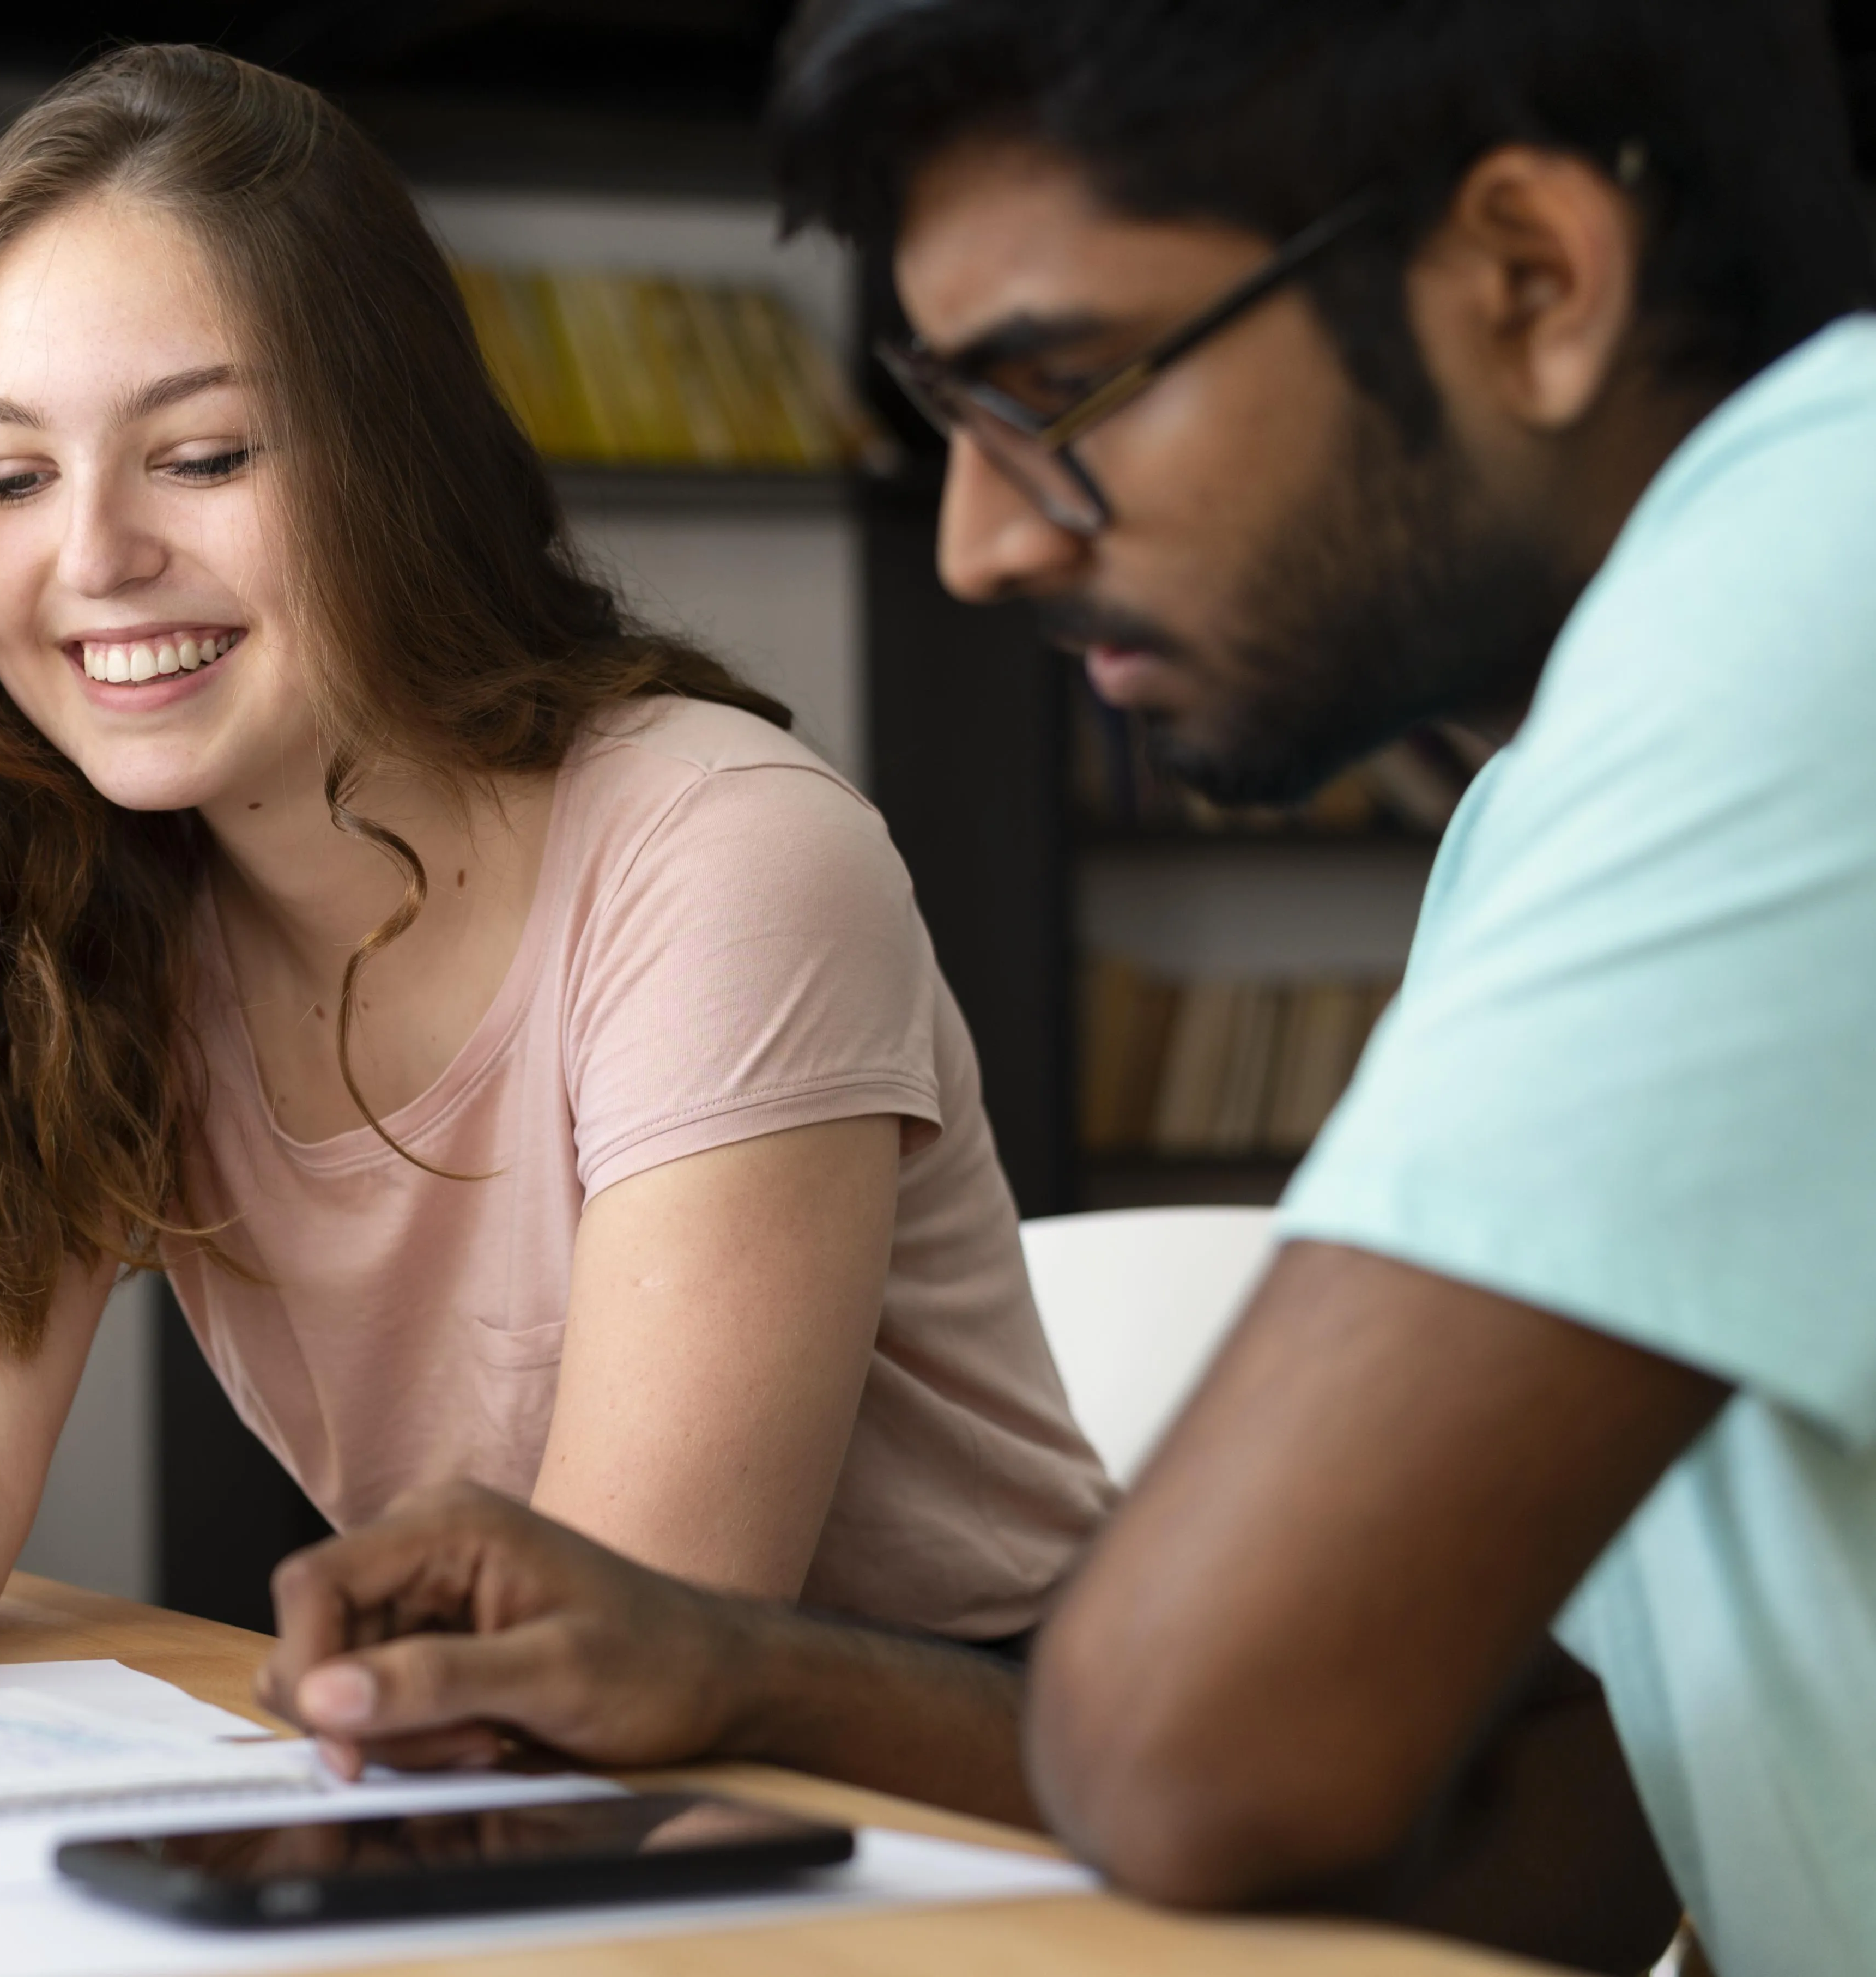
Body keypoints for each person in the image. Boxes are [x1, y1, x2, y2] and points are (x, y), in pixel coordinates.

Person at [252, 3, 1876, 1973]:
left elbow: (1204, 1743)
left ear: (1532, 279)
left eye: (1071, 388)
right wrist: (732, 1676)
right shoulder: (1551, 796)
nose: (981, 540)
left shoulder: (1824, 562)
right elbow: (1564, 1826)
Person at [0, 46, 1109, 1735]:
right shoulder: (56, 880)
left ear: (394, 458)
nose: (94, 556)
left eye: (201, 456)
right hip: (554, 1789)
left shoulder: (721, 855)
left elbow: (632, 1630)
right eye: (7, 477)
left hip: (972, 1810)